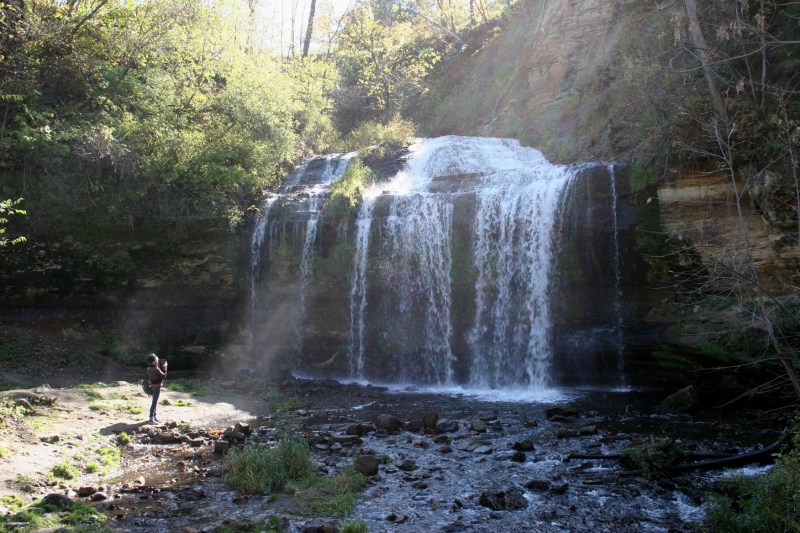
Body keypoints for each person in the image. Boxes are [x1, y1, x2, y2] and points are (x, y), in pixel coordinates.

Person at [145, 353, 167, 424]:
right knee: (154, 403)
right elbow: (164, 376)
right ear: (154, 361)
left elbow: (149, 377)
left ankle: (154, 417)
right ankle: (151, 418)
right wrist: (165, 367)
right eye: (156, 359)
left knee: (154, 402)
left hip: (152, 386)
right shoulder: (156, 369)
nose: (157, 360)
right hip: (156, 387)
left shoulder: (149, 368)